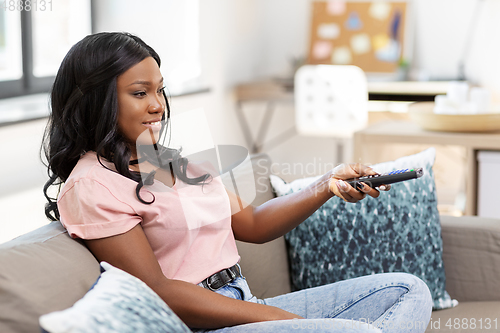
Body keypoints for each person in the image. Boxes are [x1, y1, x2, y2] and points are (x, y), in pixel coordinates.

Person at [42, 32, 432, 333]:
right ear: (95, 100)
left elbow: (254, 223)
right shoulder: (92, 185)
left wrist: (327, 182)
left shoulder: (160, 159)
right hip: (204, 322)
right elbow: (158, 290)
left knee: (408, 291)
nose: (157, 105)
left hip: (243, 300)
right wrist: (275, 318)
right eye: (139, 93)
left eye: (159, 89)